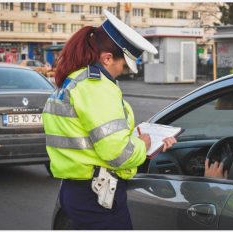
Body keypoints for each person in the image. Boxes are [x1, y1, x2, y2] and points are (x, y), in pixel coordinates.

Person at [42, 9, 177, 230]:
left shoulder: (74, 81)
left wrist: (142, 144)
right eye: (123, 65)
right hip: (97, 196)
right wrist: (144, 146)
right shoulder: (97, 87)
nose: (122, 71)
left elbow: (91, 138)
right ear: (106, 58)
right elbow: (116, 153)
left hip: (76, 191)